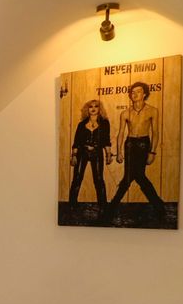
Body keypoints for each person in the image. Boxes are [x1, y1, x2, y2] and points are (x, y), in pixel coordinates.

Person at [110, 81, 164, 210]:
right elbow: (121, 133)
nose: (135, 94)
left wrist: (152, 152)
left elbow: (155, 133)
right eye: (133, 92)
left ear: (144, 94)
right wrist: (119, 152)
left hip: (143, 144)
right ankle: (159, 205)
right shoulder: (125, 113)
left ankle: (112, 207)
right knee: (135, 177)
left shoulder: (152, 111)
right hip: (130, 144)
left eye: (138, 91)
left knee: (133, 177)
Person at [68, 99, 113, 207]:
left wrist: (108, 155)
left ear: (99, 109)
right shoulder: (81, 124)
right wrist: (74, 156)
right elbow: (76, 142)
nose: (93, 108)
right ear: (87, 109)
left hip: (97, 153)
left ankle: (103, 206)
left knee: (99, 179)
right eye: (90, 106)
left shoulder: (104, 123)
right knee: (77, 178)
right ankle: (72, 205)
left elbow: (106, 140)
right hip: (82, 152)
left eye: (96, 106)